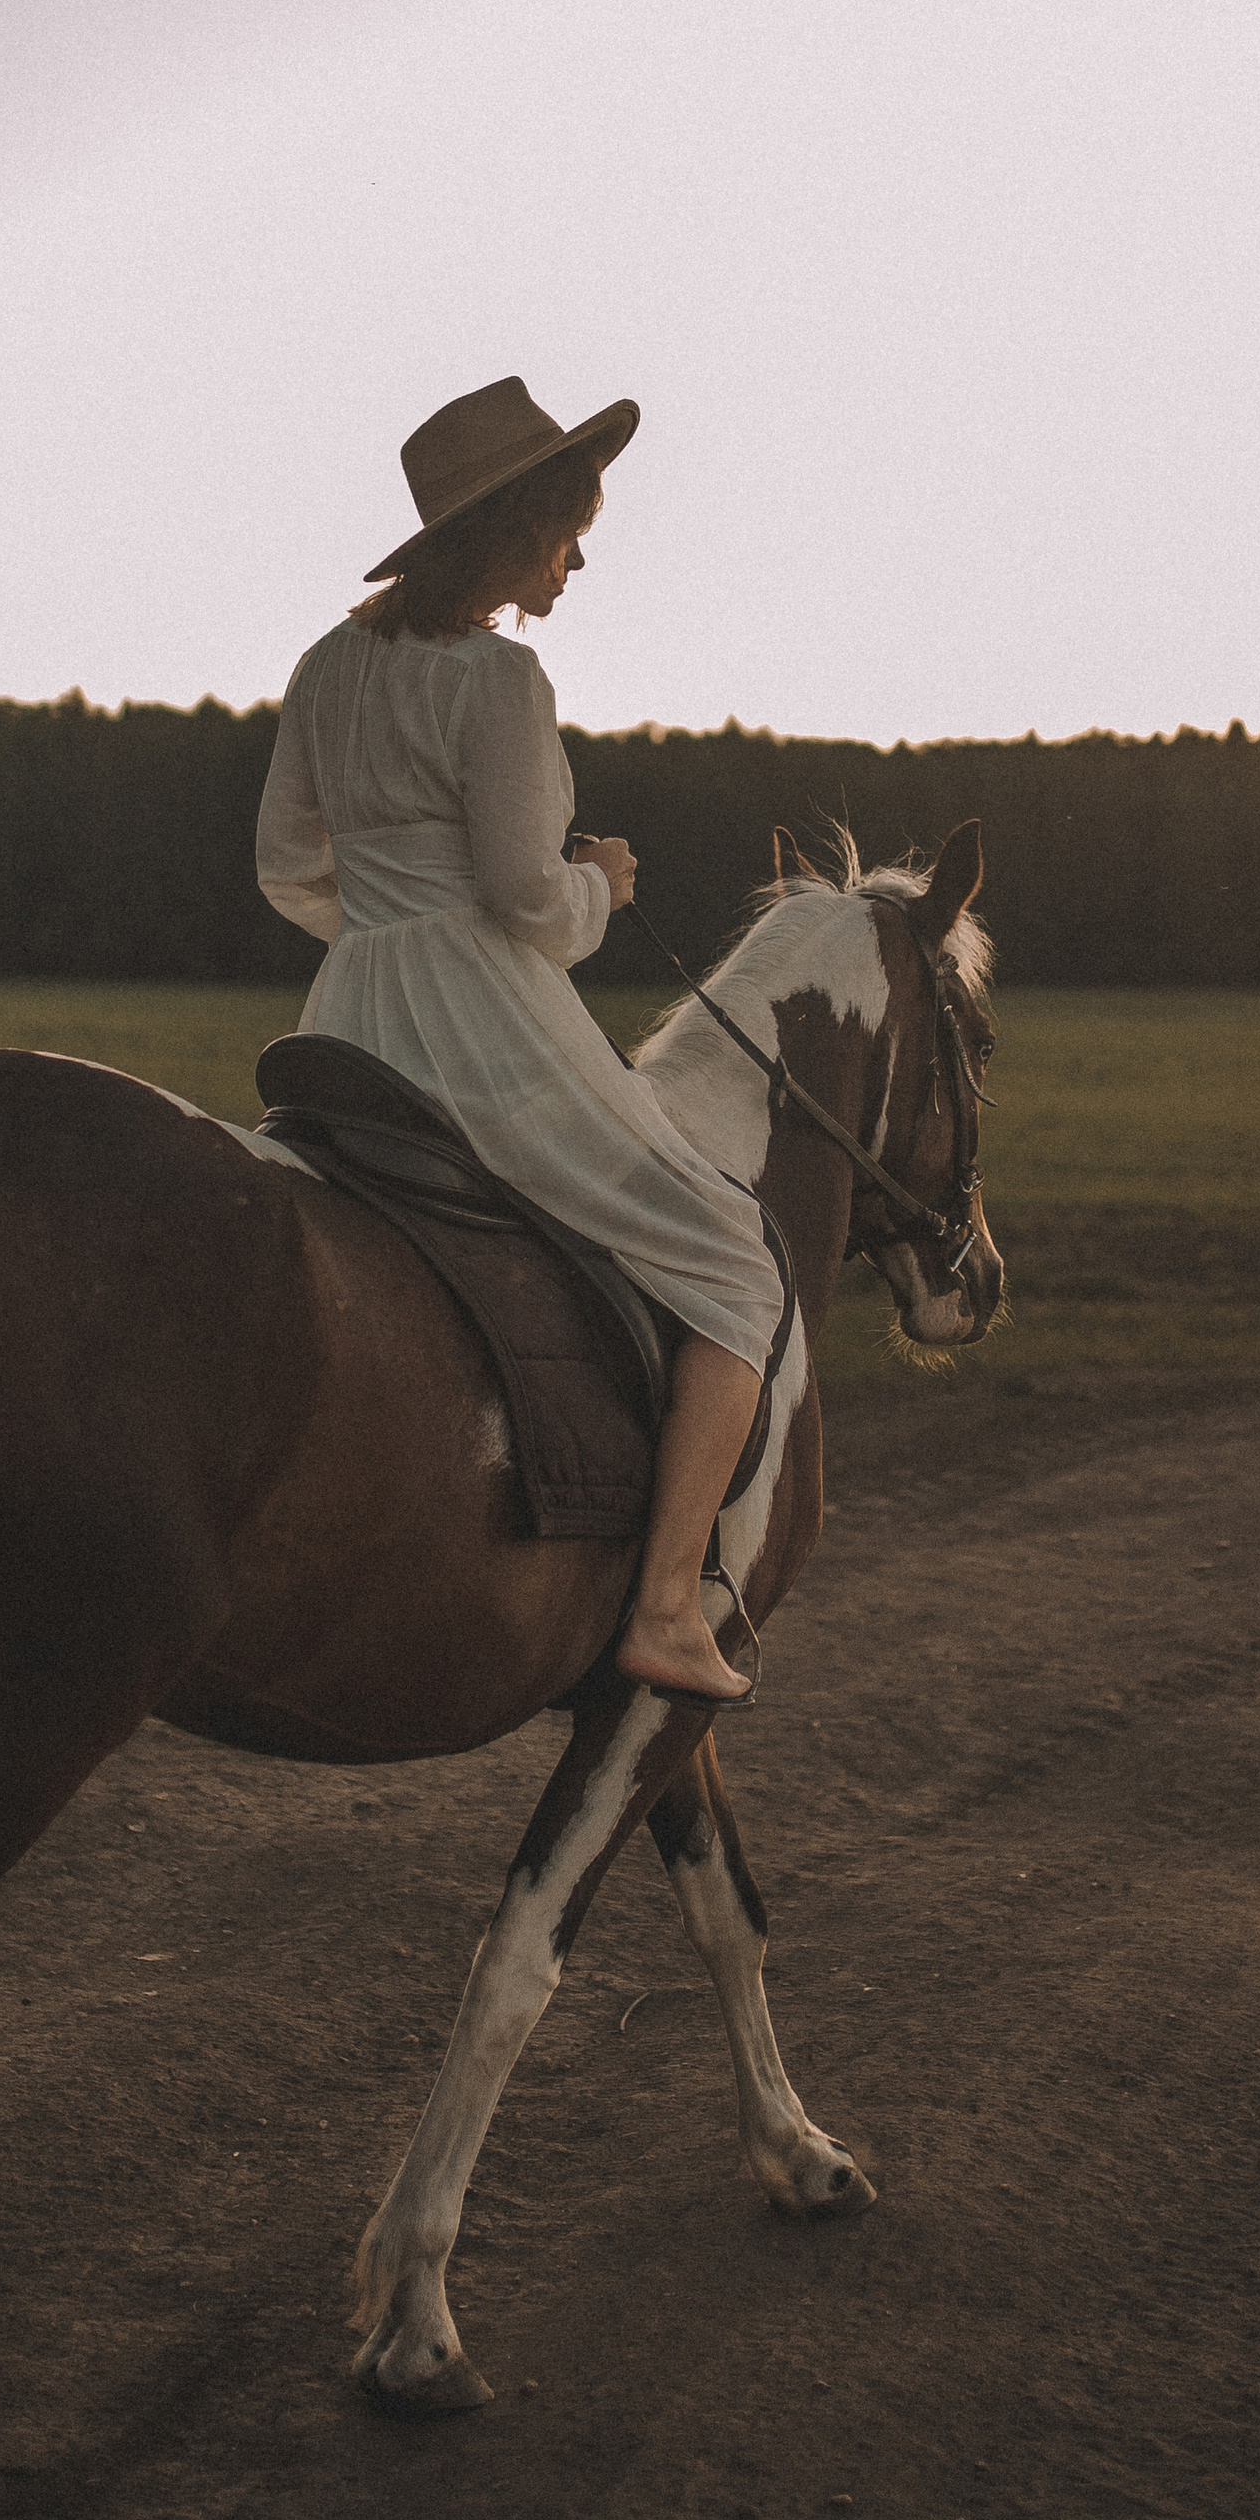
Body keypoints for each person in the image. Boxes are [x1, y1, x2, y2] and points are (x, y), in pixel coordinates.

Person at [255, 375, 778, 1703]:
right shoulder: (501, 679)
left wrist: (379, 923)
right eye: (568, 526)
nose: (579, 553)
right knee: (735, 1264)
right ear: (514, 530)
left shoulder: (326, 665)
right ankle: (664, 1603)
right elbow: (520, 900)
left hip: (354, 1013)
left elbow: (284, 865)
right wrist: (599, 877)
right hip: (483, 1017)